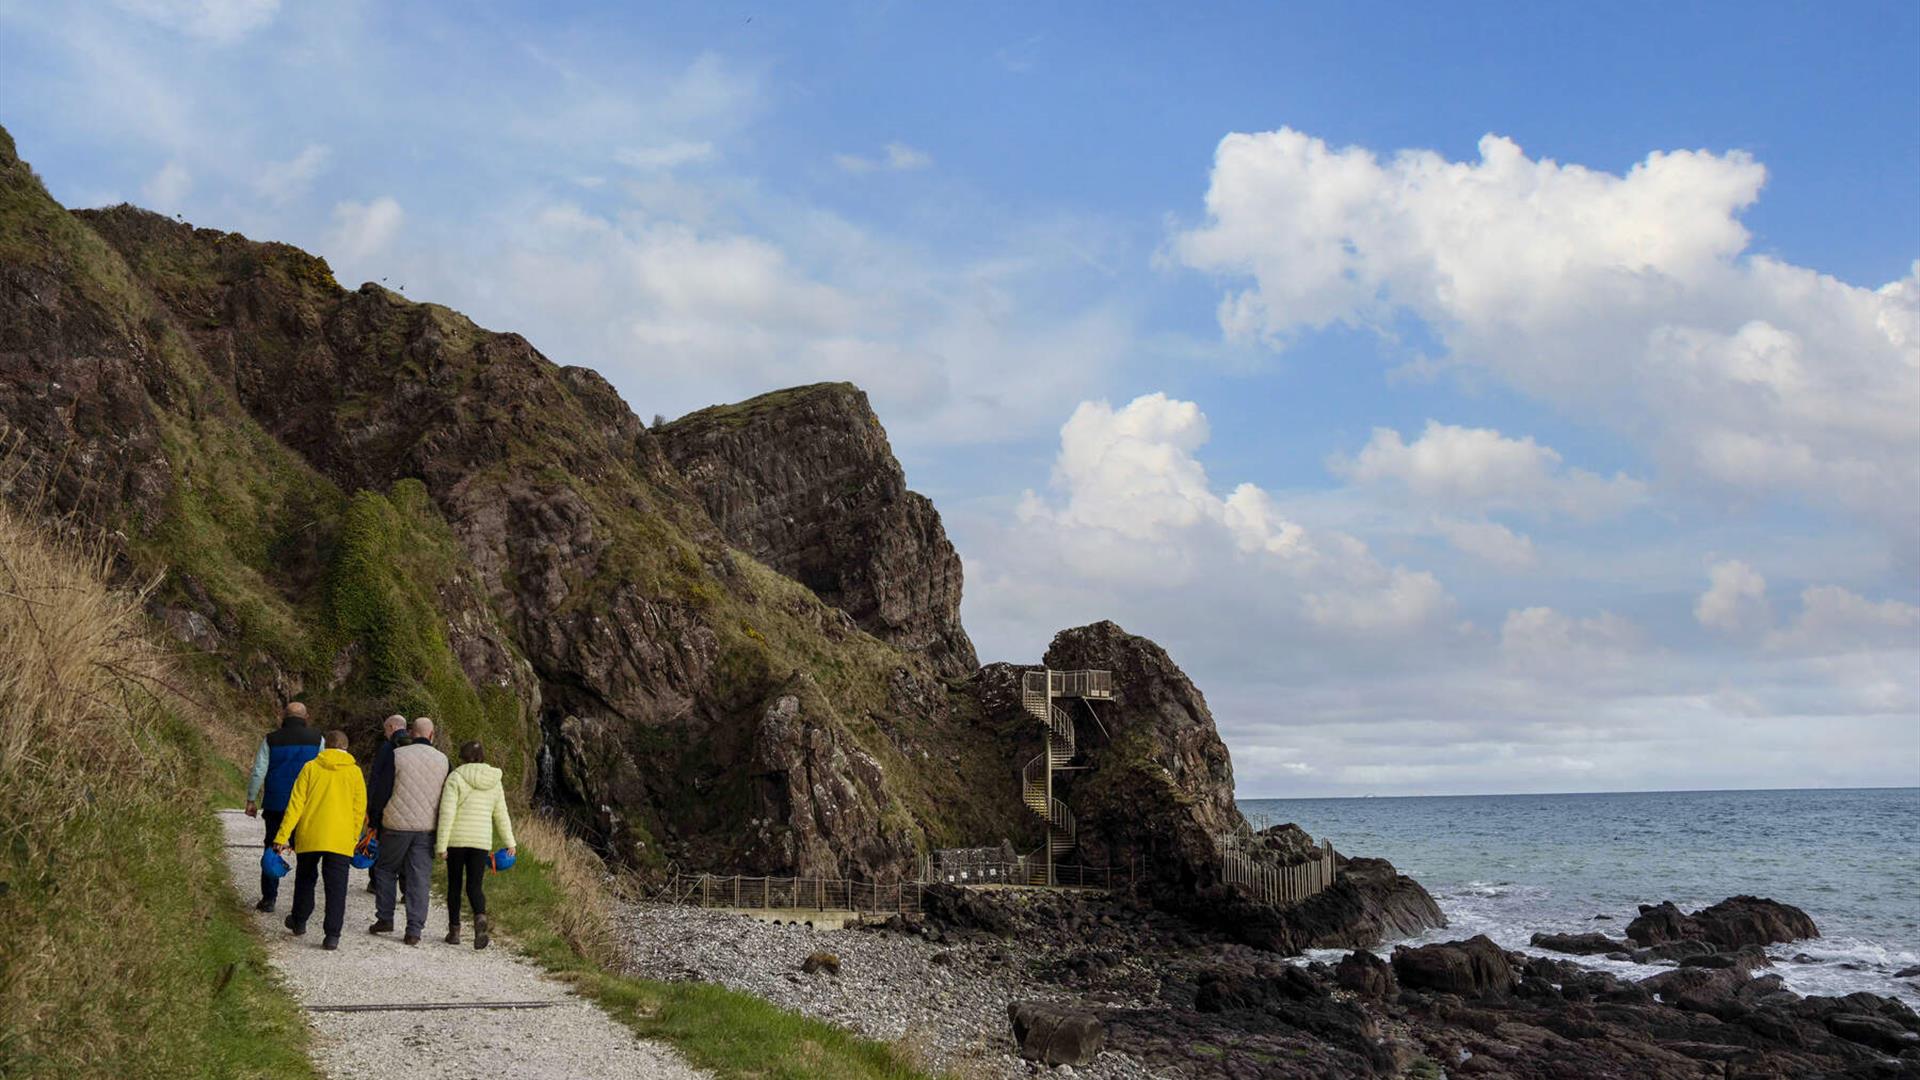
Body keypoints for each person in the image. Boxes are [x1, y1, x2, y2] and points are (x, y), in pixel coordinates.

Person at [272, 729, 367, 951]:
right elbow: (358, 809)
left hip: (310, 834)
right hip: (340, 839)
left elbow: (295, 804)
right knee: (337, 888)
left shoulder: (310, 768)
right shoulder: (354, 772)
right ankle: (332, 935)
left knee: (306, 879)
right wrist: (353, 837)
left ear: (325, 747)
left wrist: (282, 836)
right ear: (346, 747)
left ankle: (299, 920)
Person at [371, 716, 447, 945]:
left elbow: (382, 791)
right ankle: (414, 930)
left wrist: (374, 821)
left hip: (395, 824)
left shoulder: (397, 755)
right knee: (419, 877)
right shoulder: (443, 760)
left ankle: (385, 918)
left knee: (385, 869)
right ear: (432, 735)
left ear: (411, 733)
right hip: (426, 827)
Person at [435, 741, 515, 949]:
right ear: (483, 756)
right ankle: (479, 918)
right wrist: (510, 842)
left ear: (462, 756)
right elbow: (501, 814)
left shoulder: (456, 777)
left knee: (454, 884)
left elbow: (447, 812)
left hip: (456, 840)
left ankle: (454, 931)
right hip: (480, 841)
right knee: (474, 885)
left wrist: (441, 845)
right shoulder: (494, 781)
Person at [244, 701, 322, 913]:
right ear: (306, 717)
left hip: (276, 804)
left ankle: (269, 899)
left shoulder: (271, 739)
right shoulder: (318, 739)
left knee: (272, 848)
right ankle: (303, 904)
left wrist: (251, 799)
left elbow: (259, 770)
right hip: (307, 806)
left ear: (282, 717)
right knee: (306, 854)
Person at [364, 714, 410, 894]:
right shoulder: (414, 745)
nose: (385, 734)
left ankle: (376, 883)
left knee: (380, 846)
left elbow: (376, 778)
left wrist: (372, 809)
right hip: (408, 806)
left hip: (387, 806)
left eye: (385, 730)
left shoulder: (386, 748)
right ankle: (406, 890)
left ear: (391, 727)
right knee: (407, 850)